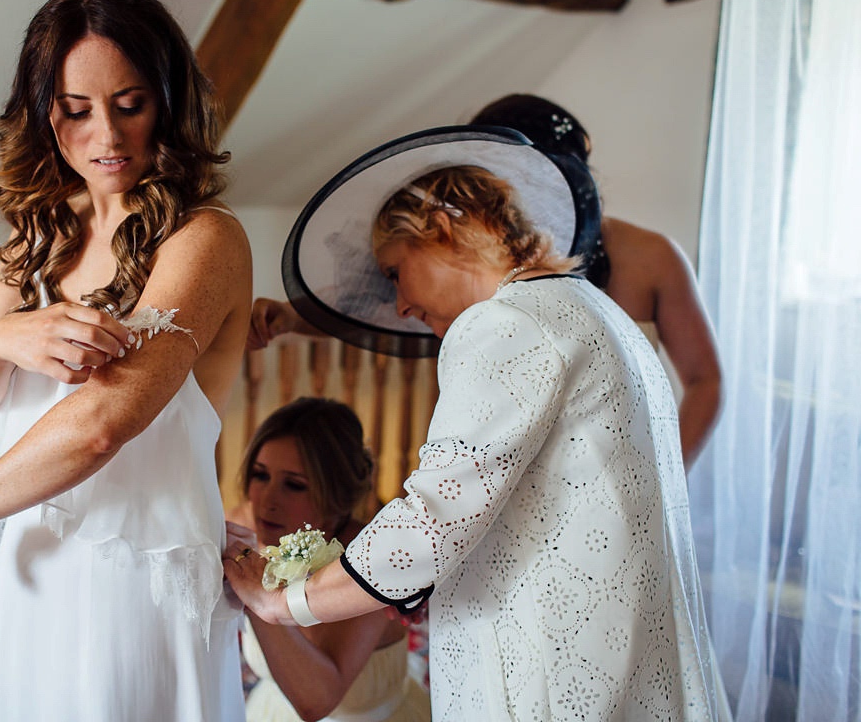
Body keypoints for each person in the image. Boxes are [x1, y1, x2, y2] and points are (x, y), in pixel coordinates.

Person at [225, 129, 729, 720]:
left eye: (394, 273)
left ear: (439, 228)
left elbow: (432, 521)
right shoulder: (597, 312)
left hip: (552, 668)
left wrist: (287, 601)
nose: (401, 306)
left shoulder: (504, 324)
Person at [0, 0, 252, 721]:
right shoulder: (41, 233)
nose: (108, 137)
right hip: (33, 553)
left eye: (131, 105)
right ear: (43, 113)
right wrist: (7, 334)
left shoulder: (204, 239)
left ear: (169, 100)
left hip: (138, 567)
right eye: (76, 111)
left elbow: (101, 425)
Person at [251, 95, 722, 470]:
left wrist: (663, 481)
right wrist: (292, 316)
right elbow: (381, 304)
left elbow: (706, 379)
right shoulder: (466, 275)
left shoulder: (651, 258)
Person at [227, 397, 430, 722]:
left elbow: (316, 702)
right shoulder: (247, 530)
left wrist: (256, 597)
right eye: (260, 475)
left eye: (294, 485)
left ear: (336, 497)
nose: (266, 500)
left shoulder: (374, 563)